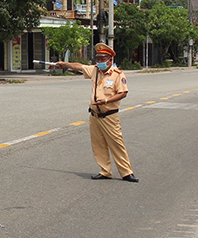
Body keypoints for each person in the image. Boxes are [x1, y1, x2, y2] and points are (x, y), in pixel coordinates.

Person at [56, 43, 139, 182]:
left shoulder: (117, 75)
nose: (99, 62)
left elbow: (123, 93)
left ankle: (126, 172)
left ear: (110, 60)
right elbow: (79, 66)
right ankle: (105, 171)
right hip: (94, 115)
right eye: (98, 59)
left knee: (116, 143)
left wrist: (106, 101)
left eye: (102, 59)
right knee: (98, 144)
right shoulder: (95, 71)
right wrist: (65, 64)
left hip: (109, 115)